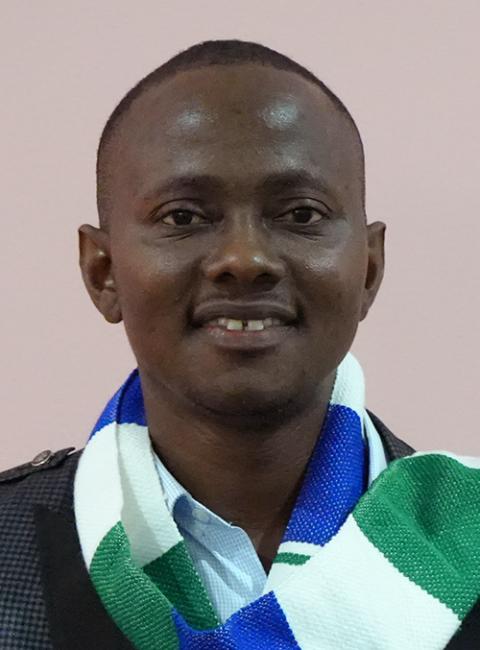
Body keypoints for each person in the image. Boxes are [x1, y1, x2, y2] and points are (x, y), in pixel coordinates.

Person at [1, 40, 479, 650]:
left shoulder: (470, 537)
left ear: (368, 269)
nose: (244, 260)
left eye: (301, 214)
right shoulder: (7, 552)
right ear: (103, 272)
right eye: (182, 217)